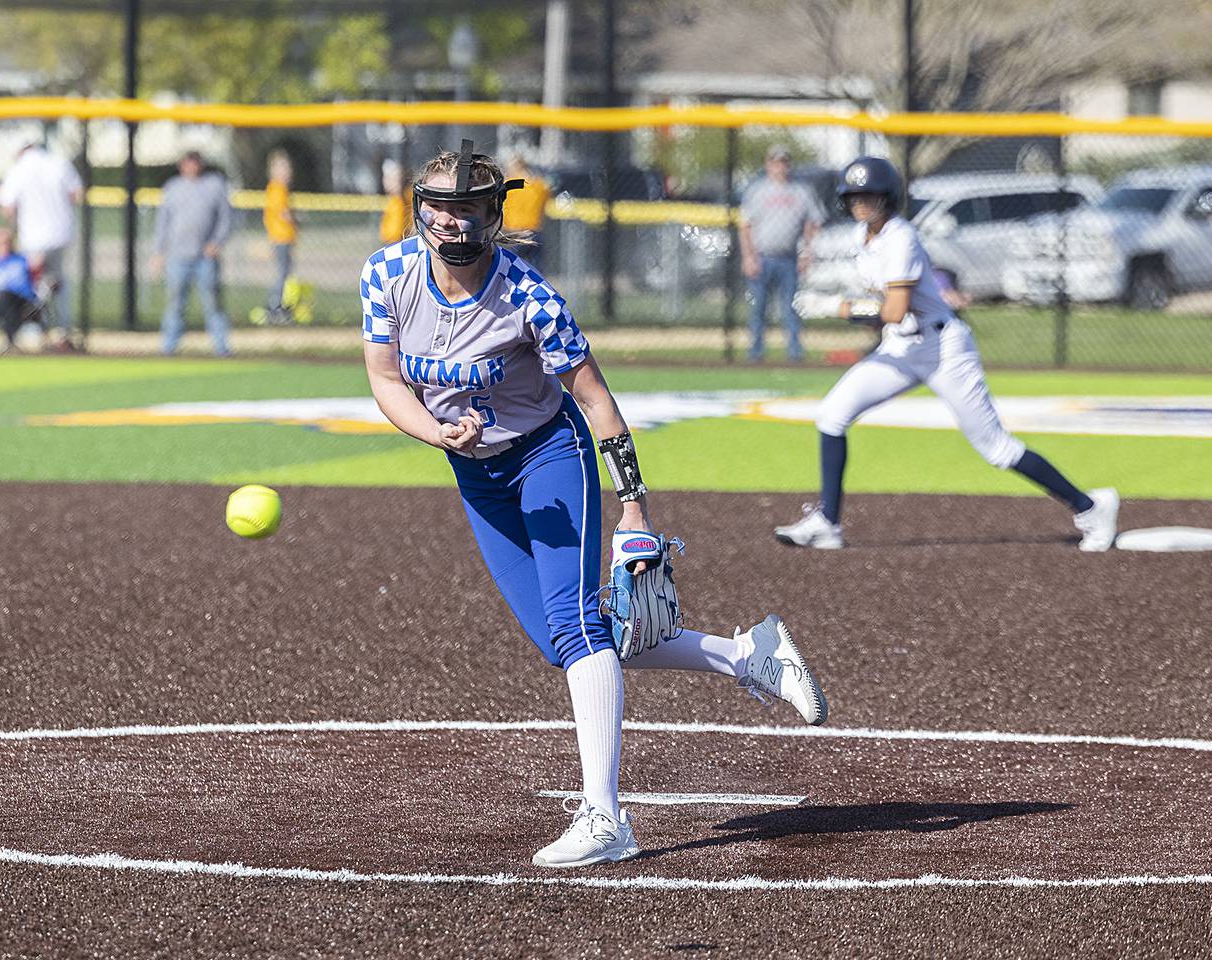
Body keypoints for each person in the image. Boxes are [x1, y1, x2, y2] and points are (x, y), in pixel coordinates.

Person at [360, 142, 829, 871]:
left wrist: (633, 509)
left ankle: (607, 818)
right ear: (421, 210)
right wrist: (436, 432)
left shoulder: (527, 295)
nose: (451, 223)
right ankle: (748, 656)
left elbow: (594, 398)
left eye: (468, 210)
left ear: (493, 214)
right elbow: (386, 379)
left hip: (549, 455)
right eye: (440, 208)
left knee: (580, 628)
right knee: (563, 640)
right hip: (473, 468)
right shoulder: (387, 274)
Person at [773, 157, 1120, 552]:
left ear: (889, 197)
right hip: (902, 346)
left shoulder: (900, 236)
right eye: (854, 196)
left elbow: (894, 310)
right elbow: (889, 317)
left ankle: (1091, 508)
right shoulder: (861, 239)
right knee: (832, 415)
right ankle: (828, 523)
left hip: (944, 350)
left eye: (870, 195)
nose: (861, 203)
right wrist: (850, 310)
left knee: (997, 448)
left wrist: (835, 307)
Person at [739, 144, 824, 364]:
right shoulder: (757, 190)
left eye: (784, 162)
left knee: (790, 308)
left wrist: (806, 252)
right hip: (762, 257)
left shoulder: (801, 191)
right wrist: (748, 257)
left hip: (789, 259)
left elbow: (812, 222)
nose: (780, 167)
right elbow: (746, 226)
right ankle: (755, 353)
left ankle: (794, 353)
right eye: (775, 162)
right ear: (768, 164)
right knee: (758, 308)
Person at [151, 151, 232, 356]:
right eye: (188, 163)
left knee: (213, 302)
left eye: (195, 162)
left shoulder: (214, 185)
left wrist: (217, 242)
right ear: (182, 165)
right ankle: (168, 347)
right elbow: (163, 222)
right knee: (175, 303)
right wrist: (159, 252)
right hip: (178, 256)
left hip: (205, 257)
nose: (192, 167)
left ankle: (221, 347)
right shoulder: (173, 187)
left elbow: (226, 218)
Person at [0, 142, 82, 344]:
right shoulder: (59, 162)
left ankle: (36, 330)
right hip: (62, 234)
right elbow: (77, 194)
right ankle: (64, 331)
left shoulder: (19, 169)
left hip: (33, 238)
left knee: (34, 285)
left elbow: (7, 208)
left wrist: (13, 228)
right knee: (60, 285)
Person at [262, 149, 298, 322]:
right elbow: (284, 213)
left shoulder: (280, 188)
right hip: (280, 238)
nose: (287, 172)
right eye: (282, 168)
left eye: (288, 168)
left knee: (285, 273)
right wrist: (296, 219)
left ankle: (278, 305)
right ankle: (274, 307)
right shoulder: (277, 188)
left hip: (284, 238)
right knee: (282, 274)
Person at [501, 153, 551, 270]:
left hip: (515, 232)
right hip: (534, 230)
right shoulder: (538, 186)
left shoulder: (509, 186)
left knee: (512, 268)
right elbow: (544, 204)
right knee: (536, 269)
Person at [377, 158, 412, 245]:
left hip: (404, 241)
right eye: (386, 178)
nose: (386, 182)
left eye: (392, 179)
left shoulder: (407, 197)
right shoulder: (393, 200)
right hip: (391, 243)